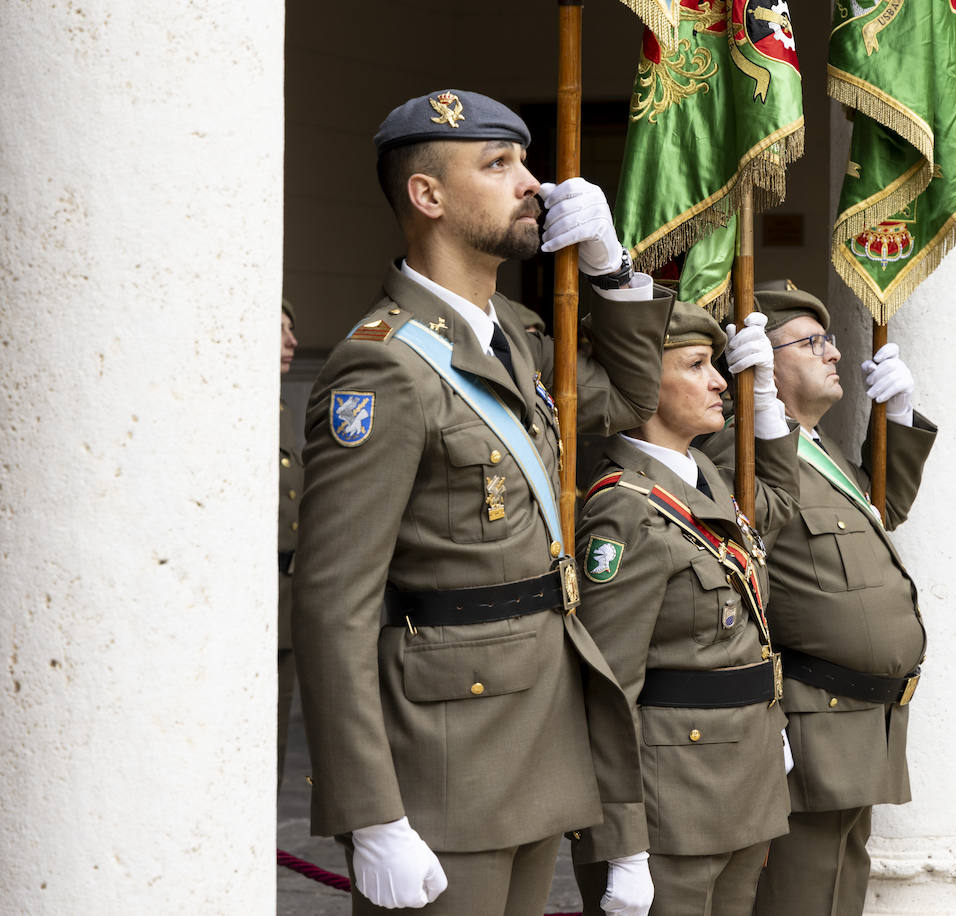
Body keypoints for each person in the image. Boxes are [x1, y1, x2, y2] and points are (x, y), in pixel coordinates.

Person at [291, 89, 674, 915]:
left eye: (524, 162)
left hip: (539, 727)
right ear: (427, 196)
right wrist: (372, 814)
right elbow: (333, 603)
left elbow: (628, 398)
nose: (532, 183)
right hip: (446, 756)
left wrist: (611, 272)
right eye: (499, 165)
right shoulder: (383, 366)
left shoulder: (517, 332)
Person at [716, 283, 937, 916]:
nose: (833, 353)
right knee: (799, 892)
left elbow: (881, 506)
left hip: (860, 719)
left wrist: (897, 419)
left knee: (838, 890)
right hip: (810, 715)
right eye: (811, 343)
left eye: (829, 340)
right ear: (762, 362)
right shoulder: (741, 449)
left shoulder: (818, 445)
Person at [572, 300, 797, 916]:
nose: (720, 381)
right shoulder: (624, 508)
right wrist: (623, 843)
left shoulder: (704, 475)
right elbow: (608, 686)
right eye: (696, 365)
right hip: (672, 802)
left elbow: (779, 506)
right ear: (642, 381)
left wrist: (768, 402)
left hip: (743, 778)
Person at [278, 297, 303, 791]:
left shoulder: (280, 409)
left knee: (274, 735)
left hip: (284, 596)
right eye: (278, 330)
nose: (293, 342)